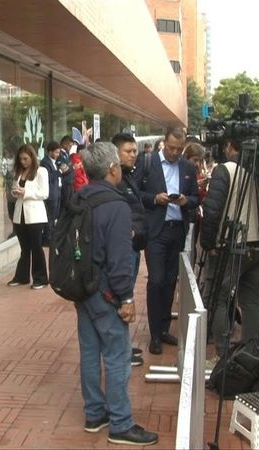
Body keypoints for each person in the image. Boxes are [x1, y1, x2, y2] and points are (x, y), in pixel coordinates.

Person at [74, 141, 158, 446]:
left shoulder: (80, 198)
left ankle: (95, 413)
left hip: (82, 288)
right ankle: (121, 423)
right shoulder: (116, 205)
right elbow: (120, 260)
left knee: (89, 351)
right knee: (118, 355)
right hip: (108, 291)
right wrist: (126, 298)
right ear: (112, 168)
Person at [200, 138, 259, 358]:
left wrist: (208, 242)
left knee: (220, 298)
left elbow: (212, 211)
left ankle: (223, 354)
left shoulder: (226, 171)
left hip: (229, 246)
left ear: (231, 146)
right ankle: (251, 352)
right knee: (251, 299)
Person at [134, 127, 199, 355]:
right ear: (164, 143)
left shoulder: (188, 167)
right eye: (171, 148)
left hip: (177, 230)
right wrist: (154, 198)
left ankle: (163, 328)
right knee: (156, 281)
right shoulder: (148, 162)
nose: (174, 153)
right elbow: (135, 193)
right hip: (156, 232)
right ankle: (154, 335)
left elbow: (195, 198)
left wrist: (184, 201)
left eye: (179, 150)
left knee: (171, 281)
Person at [112, 133, 148, 367]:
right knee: (122, 299)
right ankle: (120, 351)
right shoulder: (115, 182)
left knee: (126, 297)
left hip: (134, 248)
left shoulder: (130, 177)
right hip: (125, 251)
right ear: (116, 154)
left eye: (135, 151)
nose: (134, 155)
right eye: (128, 151)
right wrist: (132, 230)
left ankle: (123, 346)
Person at [8, 144, 49, 290]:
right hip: (20, 214)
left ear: (32, 157)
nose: (23, 162)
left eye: (26, 159)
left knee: (36, 247)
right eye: (21, 159)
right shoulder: (20, 172)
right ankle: (22, 276)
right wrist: (16, 192)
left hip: (35, 215)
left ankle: (41, 278)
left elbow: (44, 193)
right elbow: (18, 190)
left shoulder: (41, 171)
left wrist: (26, 193)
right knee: (24, 248)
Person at [41, 141, 63, 245]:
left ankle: (52, 236)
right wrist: (60, 172)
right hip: (50, 193)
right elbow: (48, 177)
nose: (58, 155)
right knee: (50, 216)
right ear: (50, 152)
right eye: (56, 152)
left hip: (57, 191)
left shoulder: (55, 161)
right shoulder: (45, 162)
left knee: (55, 216)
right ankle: (47, 237)